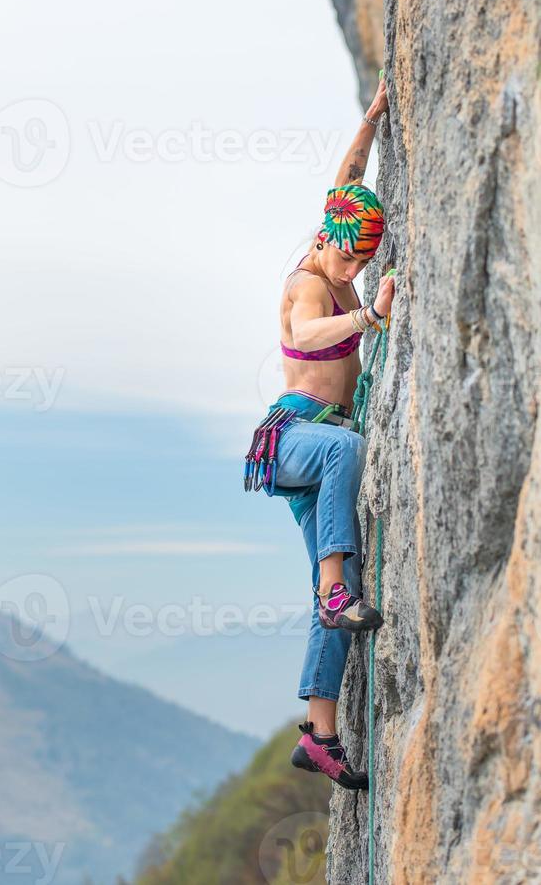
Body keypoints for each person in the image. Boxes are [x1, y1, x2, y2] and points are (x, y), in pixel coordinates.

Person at [265, 77, 396, 790]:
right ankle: (335, 593)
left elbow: (346, 178)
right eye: (346, 257)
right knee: (347, 447)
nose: (352, 270)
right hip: (293, 439)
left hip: (316, 451)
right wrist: (366, 318)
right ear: (324, 241)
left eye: (359, 263)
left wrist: (372, 118)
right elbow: (311, 333)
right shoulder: (307, 284)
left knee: (329, 593)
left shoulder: (339, 258)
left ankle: (320, 734)